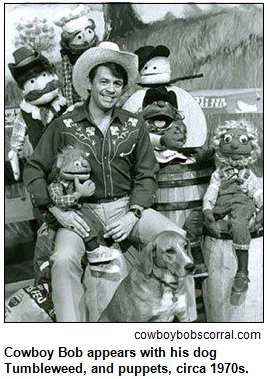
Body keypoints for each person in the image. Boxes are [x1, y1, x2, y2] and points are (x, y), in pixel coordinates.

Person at [24, 42, 196, 322]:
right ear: (89, 84)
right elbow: (33, 169)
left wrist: (134, 213)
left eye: (117, 83)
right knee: (63, 259)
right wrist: (57, 211)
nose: (111, 89)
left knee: (178, 237)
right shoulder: (64, 125)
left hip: (126, 208)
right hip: (80, 214)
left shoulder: (134, 125)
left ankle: (187, 322)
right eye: (104, 81)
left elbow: (146, 174)